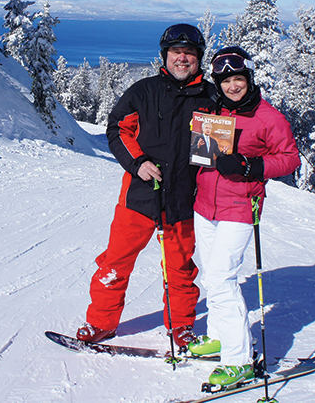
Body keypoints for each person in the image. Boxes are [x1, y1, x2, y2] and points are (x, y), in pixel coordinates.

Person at [76, 24, 213, 349]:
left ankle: (181, 329)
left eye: (189, 54)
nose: (183, 59)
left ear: (198, 59)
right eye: (176, 53)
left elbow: (212, 156)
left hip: (182, 201)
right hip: (138, 198)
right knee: (115, 263)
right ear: (165, 56)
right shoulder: (144, 91)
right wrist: (138, 164)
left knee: (180, 270)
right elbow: (118, 130)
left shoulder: (210, 98)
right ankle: (100, 323)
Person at [187, 47, 301, 387]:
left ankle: (238, 360)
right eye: (225, 81)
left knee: (223, 279)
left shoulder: (268, 117)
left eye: (238, 79)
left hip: (240, 206)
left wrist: (252, 166)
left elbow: (290, 158)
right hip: (205, 205)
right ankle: (220, 337)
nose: (232, 86)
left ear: (248, 79)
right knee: (210, 274)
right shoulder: (213, 111)